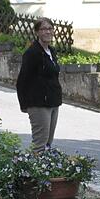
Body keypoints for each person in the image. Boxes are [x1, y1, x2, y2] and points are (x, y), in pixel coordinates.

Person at [16, 17, 62, 152]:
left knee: (48, 143)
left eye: (50, 28)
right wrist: (24, 104)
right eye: (43, 29)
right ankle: (34, 171)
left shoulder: (51, 51)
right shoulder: (32, 53)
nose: (47, 32)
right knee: (40, 144)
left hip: (53, 101)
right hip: (38, 103)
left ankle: (45, 171)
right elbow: (22, 80)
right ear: (37, 32)